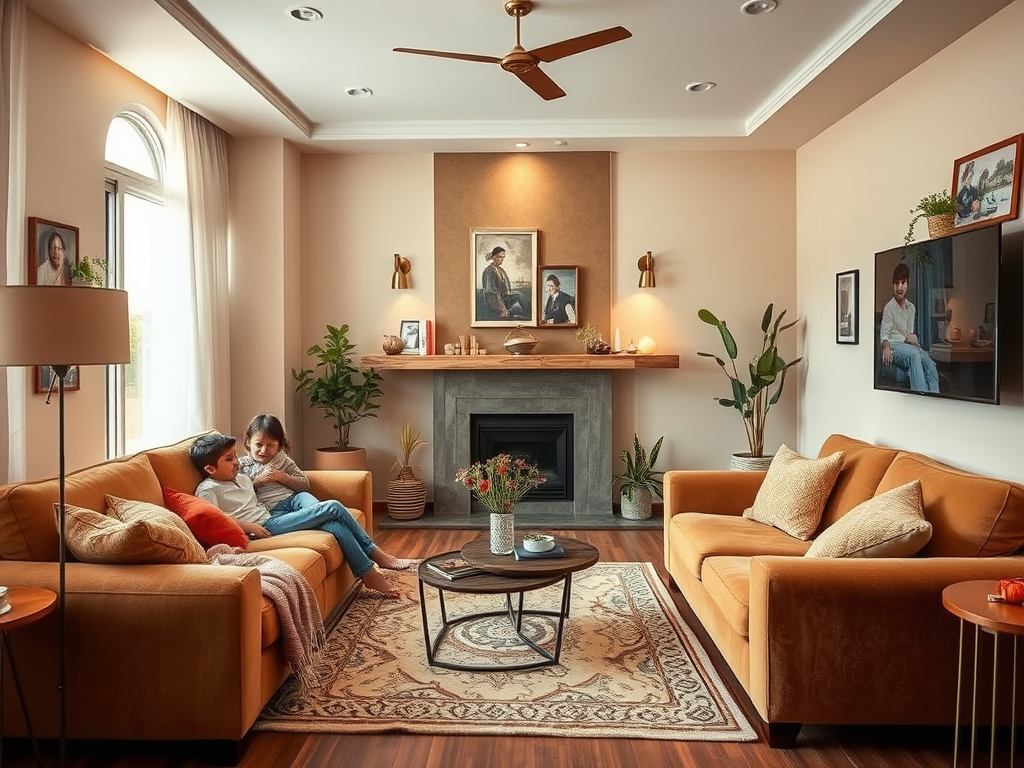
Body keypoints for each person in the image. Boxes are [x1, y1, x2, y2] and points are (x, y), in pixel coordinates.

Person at [191, 430, 408, 598]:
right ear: (210, 469)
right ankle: (374, 553)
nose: (236, 461)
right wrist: (248, 527)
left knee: (334, 525)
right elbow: (215, 519)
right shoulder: (208, 489)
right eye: (229, 459)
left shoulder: (240, 476)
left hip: (271, 517)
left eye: (235, 456)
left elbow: (260, 479)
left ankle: (367, 573)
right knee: (332, 507)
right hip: (262, 528)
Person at [880, 262, 939, 393]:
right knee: (914, 355)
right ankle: (921, 396)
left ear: (908, 284)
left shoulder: (911, 307)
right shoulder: (889, 308)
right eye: (896, 283)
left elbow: (909, 334)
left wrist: (916, 344)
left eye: (903, 282)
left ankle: (934, 398)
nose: (899, 287)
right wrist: (885, 346)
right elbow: (884, 334)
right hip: (894, 346)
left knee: (930, 364)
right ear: (893, 285)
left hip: (907, 344)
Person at [481, 246, 525, 319]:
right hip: (495, 301)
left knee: (519, 296)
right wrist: (502, 309)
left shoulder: (501, 270)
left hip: (504, 298)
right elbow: (490, 293)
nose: (502, 259)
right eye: (500, 257)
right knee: (508, 316)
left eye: (503, 257)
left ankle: (530, 317)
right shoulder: (489, 271)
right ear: (493, 257)